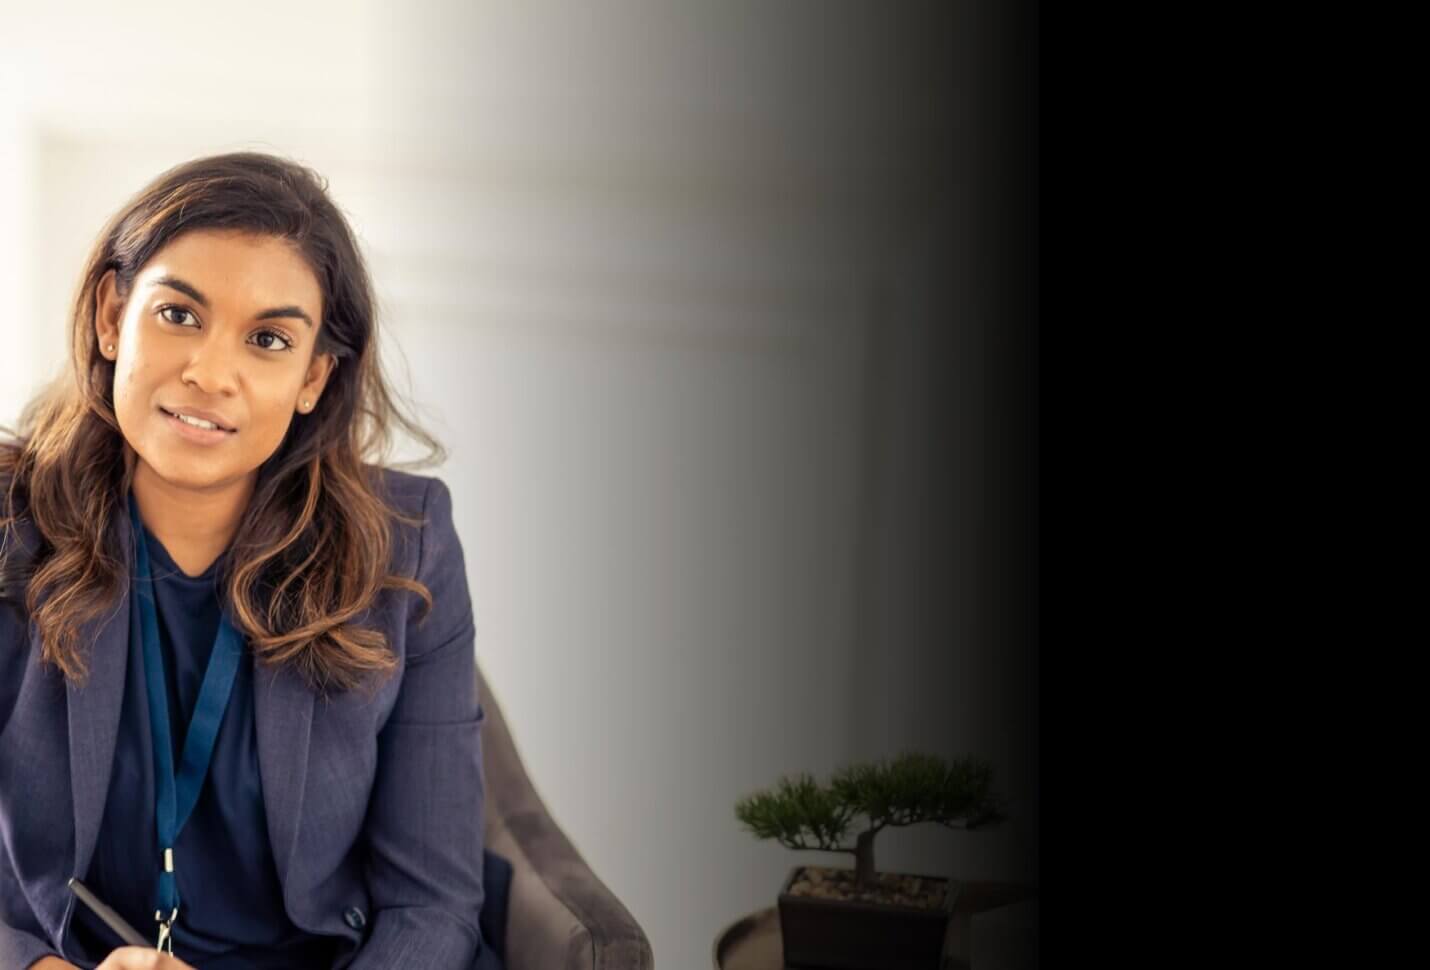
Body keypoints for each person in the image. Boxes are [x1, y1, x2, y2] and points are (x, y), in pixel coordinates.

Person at [0, 152, 506, 969]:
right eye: (178, 315)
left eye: (267, 339)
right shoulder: (10, 523)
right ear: (110, 315)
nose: (210, 374)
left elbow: (432, 903)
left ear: (313, 377)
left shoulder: (408, 544)